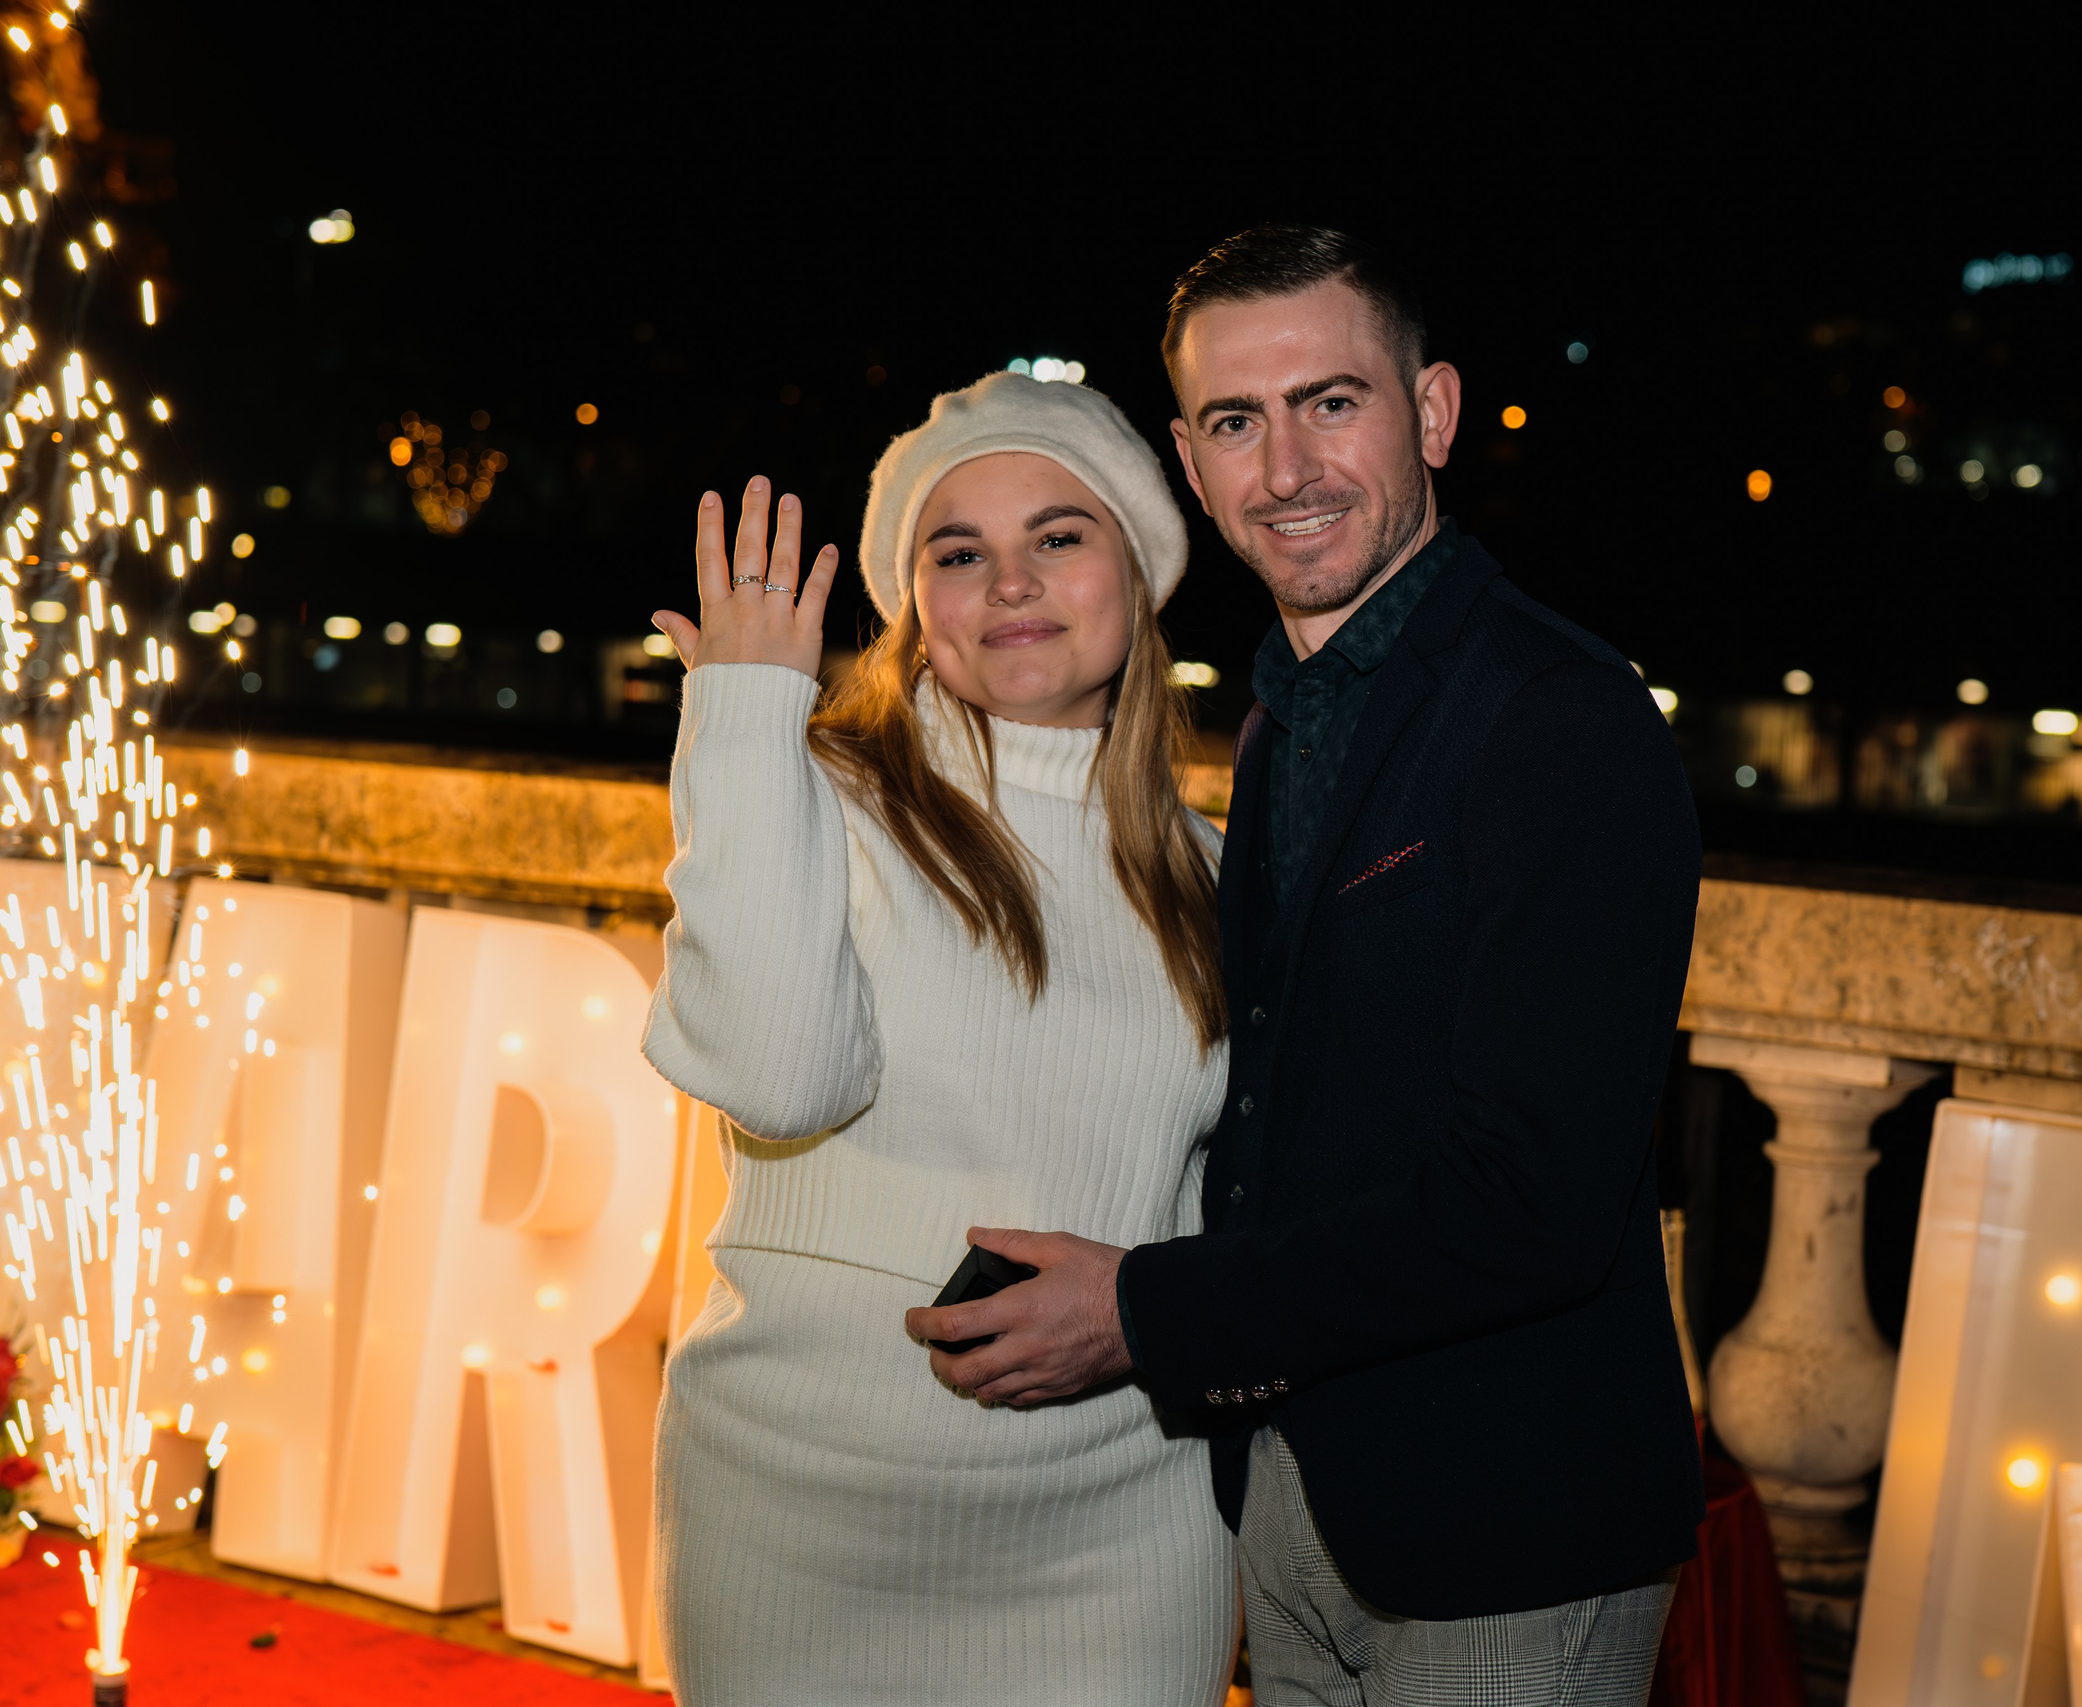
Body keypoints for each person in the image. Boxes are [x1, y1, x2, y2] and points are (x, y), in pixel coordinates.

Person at [906, 226, 1705, 1705]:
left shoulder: (1559, 719)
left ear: (1437, 413)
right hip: (1294, 1509)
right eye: (1236, 422)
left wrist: (1144, 1315)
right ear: (1191, 464)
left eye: (1333, 402)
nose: (1287, 469)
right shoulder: (1283, 720)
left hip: (1503, 1533)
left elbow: (1534, 1205)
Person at [641, 371, 1238, 1706]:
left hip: (1122, 1535)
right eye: (957, 554)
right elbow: (778, 1079)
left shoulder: (1218, 871)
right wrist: (745, 715)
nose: (1010, 582)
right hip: (801, 1527)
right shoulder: (815, 794)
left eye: (1059, 537)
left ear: (1137, 575)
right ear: (918, 607)